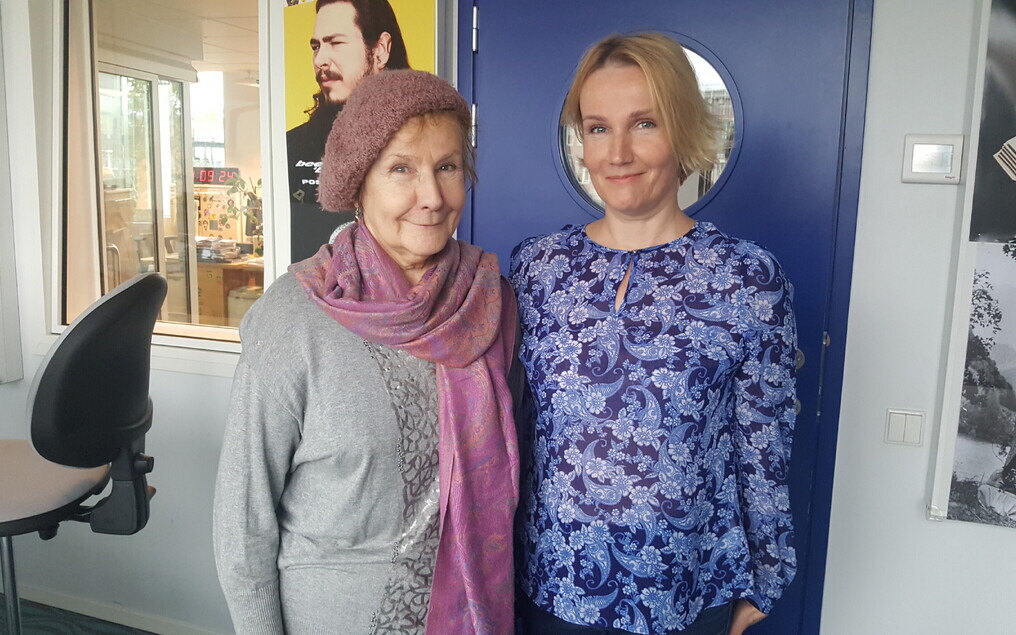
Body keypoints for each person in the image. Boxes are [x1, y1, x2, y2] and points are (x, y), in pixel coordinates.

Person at [509, 33, 797, 635]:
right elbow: (515, 427)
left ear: (683, 130)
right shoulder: (539, 268)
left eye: (644, 123)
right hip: (552, 583)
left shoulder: (746, 277)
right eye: (598, 128)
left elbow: (763, 443)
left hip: (685, 591)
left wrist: (768, 574)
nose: (617, 153)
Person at [215, 70, 519, 634]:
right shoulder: (293, 320)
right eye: (401, 169)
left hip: (471, 614)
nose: (432, 197)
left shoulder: (490, 303)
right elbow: (243, 521)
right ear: (358, 183)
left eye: (447, 167)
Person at [287, 0, 410, 262]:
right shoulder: (294, 144)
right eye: (316, 47)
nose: (320, 60)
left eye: (336, 43)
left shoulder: (418, 141)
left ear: (380, 50)